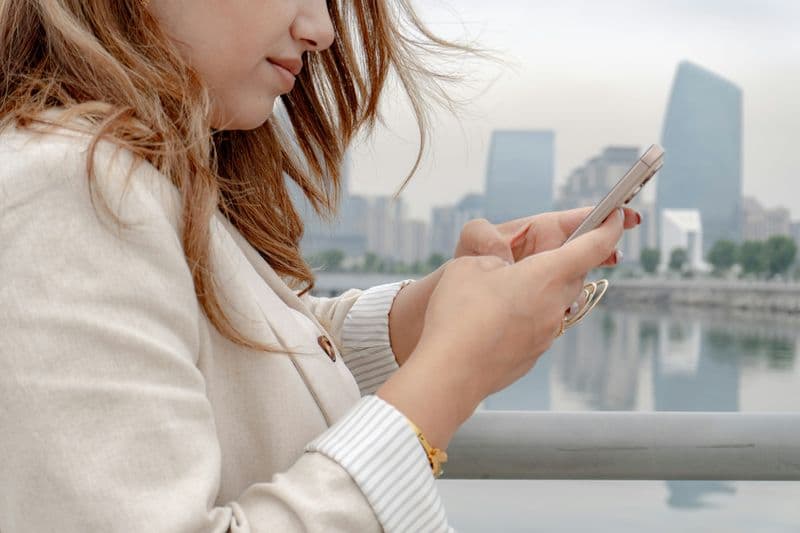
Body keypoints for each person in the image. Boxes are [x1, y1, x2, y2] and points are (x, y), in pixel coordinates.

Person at [0, 1, 640, 531]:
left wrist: (436, 312)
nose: (323, 29)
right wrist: (454, 372)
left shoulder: (120, 180)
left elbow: (231, 353)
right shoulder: (67, 189)